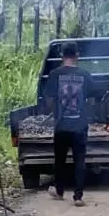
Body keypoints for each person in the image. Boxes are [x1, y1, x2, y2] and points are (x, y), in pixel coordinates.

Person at [44, 42, 93, 206]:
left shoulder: (54, 74)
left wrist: (56, 111)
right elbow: (92, 97)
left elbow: (49, 100)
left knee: (60, 160)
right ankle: (78, 196)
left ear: (62, 56)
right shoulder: (85, 75)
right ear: (77, 55)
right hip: (79, 125)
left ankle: (59, 191)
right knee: (80, 160)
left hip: (61, 125)